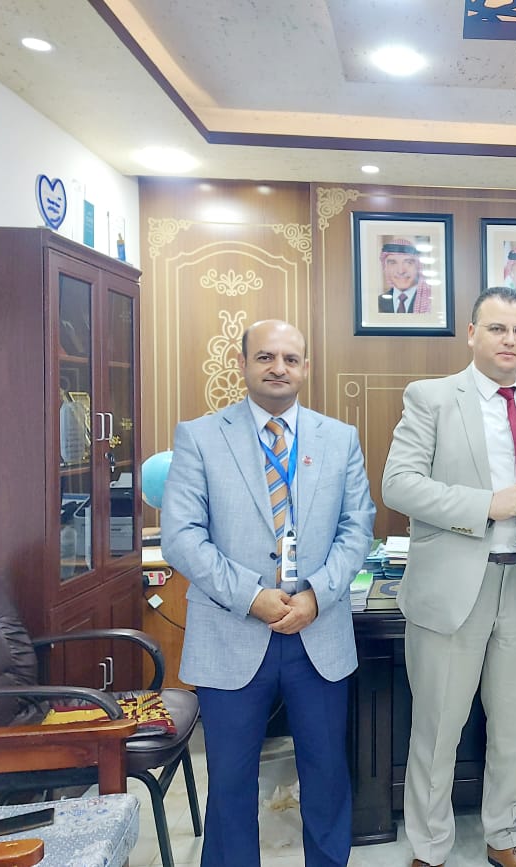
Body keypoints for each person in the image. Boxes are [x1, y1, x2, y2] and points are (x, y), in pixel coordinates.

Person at [161, 319, 375, 867]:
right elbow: (181, 538)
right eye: (265, 357)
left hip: (317, 632)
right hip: (231, 631)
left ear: (305, 368)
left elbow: (357, 528)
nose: (279, 368)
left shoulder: (339, 438)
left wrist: (317, 596)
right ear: (242, 364)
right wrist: (251, 596)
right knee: (231, 782)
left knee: (326, 774)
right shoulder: (200, 437)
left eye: (290, 359)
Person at [381, 286, 516, 867]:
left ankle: (504, 835)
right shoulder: (432, 397)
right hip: (454, 586)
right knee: (438, 727)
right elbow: (399, 485)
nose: (510, 340)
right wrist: (486, 504)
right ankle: (429, 847)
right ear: (472, 333)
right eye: (498, 328)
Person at [378, 237, 433, 313]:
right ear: (385, 267)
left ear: (418, 266)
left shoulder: (431, 302)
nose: (401, 271)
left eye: (408, 262)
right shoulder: (378, 303)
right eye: (393, 263)